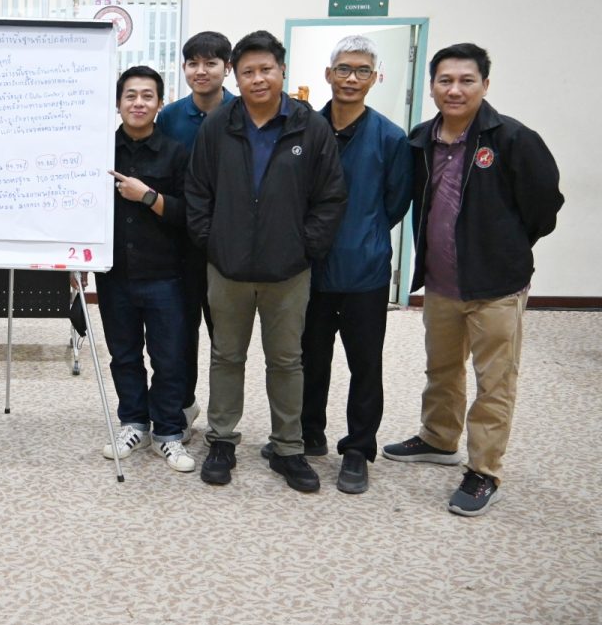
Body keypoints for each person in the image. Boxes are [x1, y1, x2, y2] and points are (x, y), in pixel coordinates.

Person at [383, 43, 563, 516]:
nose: (455, 90)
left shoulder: (513, 139)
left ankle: (484, 470)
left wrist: (505, 248)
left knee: (494, 381)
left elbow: (544, 207)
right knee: (441, 368)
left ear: (485, 84)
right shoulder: (421, 139)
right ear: (431, 86)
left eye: (467, 80)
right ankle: (439, 438)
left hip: (496, 287)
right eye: (445, 80)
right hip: (441, 284)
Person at [185, 30, 346, 492]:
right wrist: (213, 243)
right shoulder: (218, 124)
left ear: (282, 71)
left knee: (287, 360)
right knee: (226, 356)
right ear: (235, 77)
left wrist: (304, 247)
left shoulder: (310, 126)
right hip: (227, 267)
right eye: (248, 72)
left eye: (266, 70)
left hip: (288, 271)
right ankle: (221, 441)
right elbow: (197, 191)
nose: (258, 79)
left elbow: (331, 197)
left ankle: (288, 448)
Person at [280, 35, 411, 494]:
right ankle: (309, 433)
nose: (351, 78)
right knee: (308, 359)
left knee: (365, 364)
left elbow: (395, 202)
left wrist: (363, 234)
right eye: (343, 69)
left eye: (361, 71)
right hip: (309, 269)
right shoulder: (303, 130)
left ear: (375, 78)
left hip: (364, 271)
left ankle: (357, 449)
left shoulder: (391, 139)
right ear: (328, 74)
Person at [95, 66, 194, 472]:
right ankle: (133, 423)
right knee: (124, 355)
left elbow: (189, 213)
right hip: (113, 273)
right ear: (118, 103)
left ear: (160, 103)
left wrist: (148, 196)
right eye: (130, 95)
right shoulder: (100, 151)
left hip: (165, 274)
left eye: (147, 96)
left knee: (169, 358)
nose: (138, 103)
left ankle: (168, 433)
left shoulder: (176, 152)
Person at [156, 31, 236, 434]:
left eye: (210, 63)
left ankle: (223, 421)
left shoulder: (242, 111)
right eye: (193, 63)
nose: (201, 71)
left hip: (229, 247)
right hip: (181, 245)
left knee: (226, 340)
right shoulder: (170, 117)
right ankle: (183, 409)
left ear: (227, 68)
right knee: (181, 335)